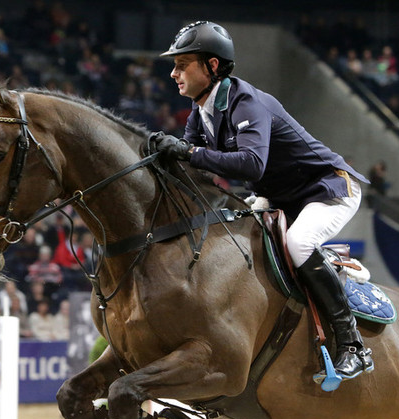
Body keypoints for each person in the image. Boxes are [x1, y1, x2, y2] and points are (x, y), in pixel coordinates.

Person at [154, 21, 373, 381]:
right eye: (174, 65)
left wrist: (189, 151)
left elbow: (250, 162)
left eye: (183, 64)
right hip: (282, 197)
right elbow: (192, 167)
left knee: (299, 242)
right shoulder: (201, 111)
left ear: (211, 66)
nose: (174, 72)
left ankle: (352, 344)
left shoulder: (246, 101)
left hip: (327, 188)